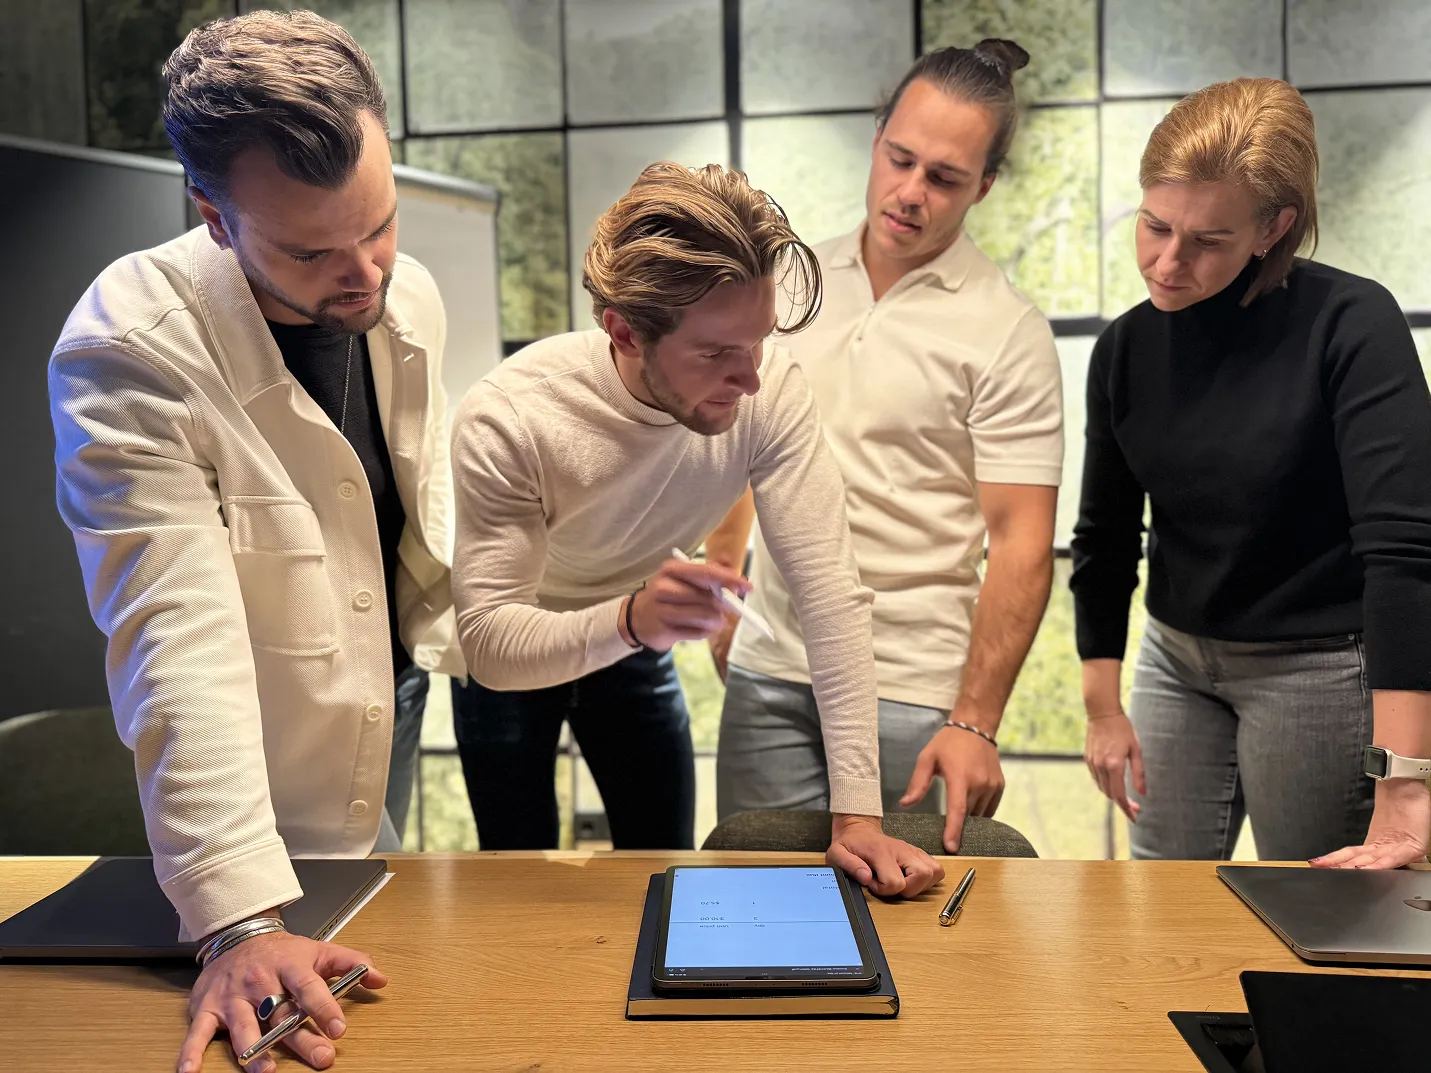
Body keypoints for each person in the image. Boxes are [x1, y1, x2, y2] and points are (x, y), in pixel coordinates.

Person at [48, 12, 465, 1073]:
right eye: (314, 249)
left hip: (390, 691)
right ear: (215, 218)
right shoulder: (128, 348)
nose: (366, 273)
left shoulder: (404, 295)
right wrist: (235, 919)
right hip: (254, 739)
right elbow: (174, 636)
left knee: (380, 948)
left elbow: (408, 505)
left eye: (380, 223)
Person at [448, 160, 944, 898]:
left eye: (757, 344)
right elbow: (489, 643)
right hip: (528, 634)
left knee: (662, 872)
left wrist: (856, 818)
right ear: (622, 331)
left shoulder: (768, 388)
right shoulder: (512, 416)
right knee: (515, 883)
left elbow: (830, 599)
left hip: (636, 633)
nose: (747, 380)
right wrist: (630, 617)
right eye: (715, 353)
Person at [707, 40, 1064, 854]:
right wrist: (726, 583)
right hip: (770, 672)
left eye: (943, 178)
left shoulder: (1005, 329)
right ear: (875, 141)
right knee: (761, 913)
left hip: (910, 686)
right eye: (899, 159)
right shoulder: (789, 282)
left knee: (913, 942)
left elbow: (1020, 542)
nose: (909, 193)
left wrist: (975, 719)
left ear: (985, 185)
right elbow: (738, 425)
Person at [1073, 77, 1431, 868]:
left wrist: (1405, 782)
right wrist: (1102, 704)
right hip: (1175, 658)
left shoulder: (1350, 325)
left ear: (1274, 226)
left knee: (1319, 909)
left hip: (1316, 665)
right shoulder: (1125, 350)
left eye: (1206, 241)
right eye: (1154, 225)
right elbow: (1103, 537)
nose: (1167, 262)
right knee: (1159, 901)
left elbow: (1403, 551)